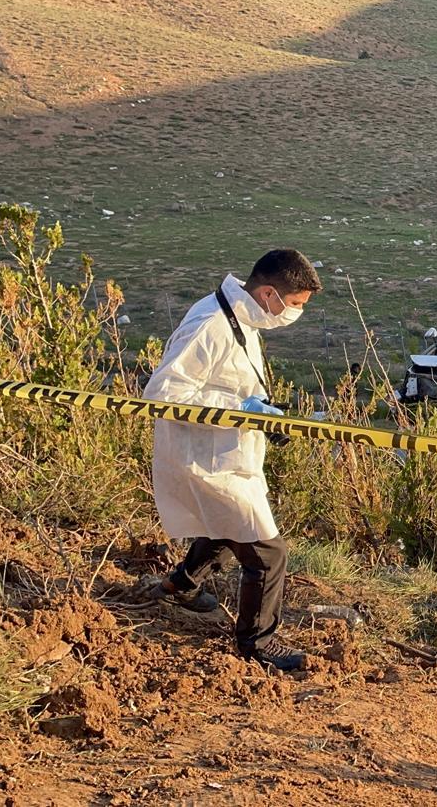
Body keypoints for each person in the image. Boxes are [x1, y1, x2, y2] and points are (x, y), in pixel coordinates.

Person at [145, 249, 323, 671]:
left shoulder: (235, 314)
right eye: (294, 305)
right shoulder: (211, 325)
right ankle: (256, 643)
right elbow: (162, 394)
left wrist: (255, 407)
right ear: (268, 294)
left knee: (227, 524)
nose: (294, 314)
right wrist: (239, 406)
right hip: (203, 457)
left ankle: (180, 585)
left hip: (225, 451)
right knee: (267, 553)